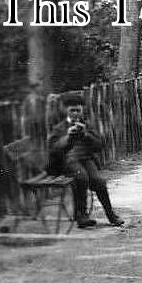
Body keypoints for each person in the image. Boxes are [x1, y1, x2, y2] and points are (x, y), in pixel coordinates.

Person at [47, 93, 125, 228]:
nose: (75, 113)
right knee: (81, 177)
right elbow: (54, 149)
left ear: (82, 110)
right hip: (67, 161)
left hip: (86, 159)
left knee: (99, 181)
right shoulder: (60, 128)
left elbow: (99, 146)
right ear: (65, 110)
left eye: (78, 110)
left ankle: (111, 215)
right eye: (72, 110)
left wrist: (85, 135)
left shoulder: (87, 126)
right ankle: (81, 215)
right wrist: (68, 137)